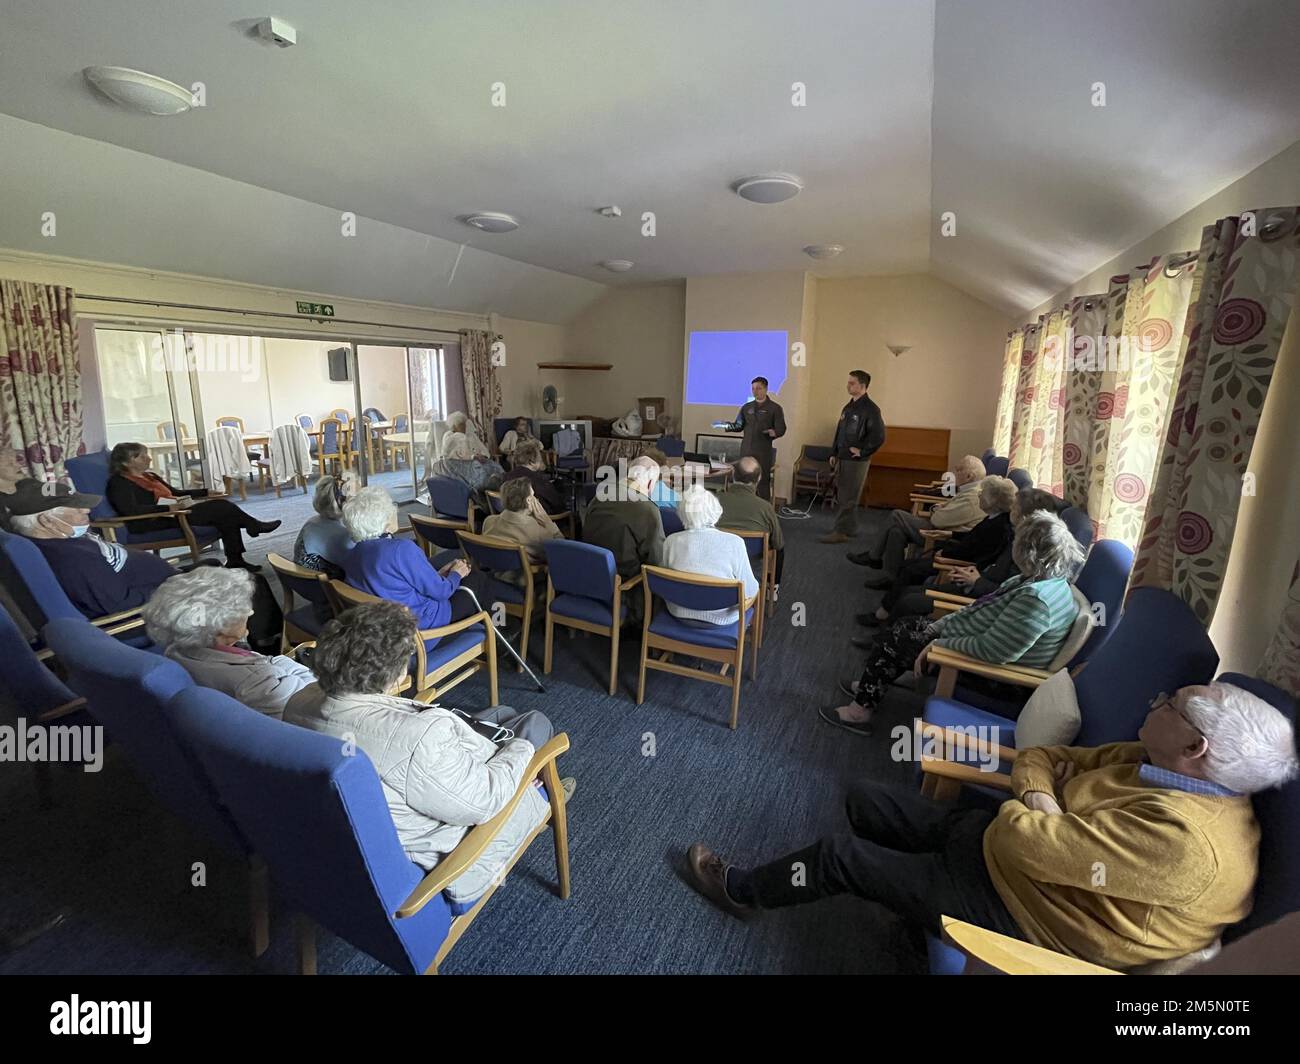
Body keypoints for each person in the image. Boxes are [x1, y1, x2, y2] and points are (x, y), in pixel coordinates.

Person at [683, 682, 1297, 973]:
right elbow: (1044, 761)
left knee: (839, 856)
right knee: (867, 798)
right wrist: (1038, 800)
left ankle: (741, 890)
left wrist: (1036, 814)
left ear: (1196, 744)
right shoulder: (1152, 761)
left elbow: (1022, 837)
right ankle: (912, 915)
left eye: (1171, 703)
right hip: (1012, 857)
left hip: (1030, 918)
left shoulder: (1191, 848)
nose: (1154, 700)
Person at [284, 601, 575, 899]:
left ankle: (535, 781)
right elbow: (484, 800)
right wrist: (523, 752)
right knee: (536, 726)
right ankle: (543, 796)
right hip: (451, 837)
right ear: (393, 674)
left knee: (503, 713)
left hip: (416, 780)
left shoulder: (299, 702)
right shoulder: (419, 739)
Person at [823, 510, 1084, 735]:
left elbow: (994, 652)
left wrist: (940, 645)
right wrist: (939, 627)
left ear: (1027, 550)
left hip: (992, 677)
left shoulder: (1038, 600)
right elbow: (978, 609)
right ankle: (873, 683)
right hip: (970, 648)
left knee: (899, 638)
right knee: (908, 624)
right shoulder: (1036, 580)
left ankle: (860, 712)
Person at [141, 566, 314, 718]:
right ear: (222, 626)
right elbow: (317, 697)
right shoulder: (258, 681)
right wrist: (282, 661)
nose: (251, 612)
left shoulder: (174, 650)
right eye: (243, 608)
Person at [860, 475, 1016, 632]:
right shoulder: (994, 518)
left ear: (993, 500)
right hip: (958, 554)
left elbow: (972, 550)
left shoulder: (998, 527)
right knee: (901, 546)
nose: (979, 495)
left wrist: (944, 552)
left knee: (910, 571)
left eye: (983, 493)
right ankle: (888, 607)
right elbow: (971, 537)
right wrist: (949, 535)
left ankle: (883, 614)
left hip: (958, 563)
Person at [2, 479, 176, 619]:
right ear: (47, 521)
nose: (86, 509)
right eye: (76, 508)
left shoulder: (59, 539)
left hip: (162, 585)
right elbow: (122, 605)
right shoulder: (73, 559)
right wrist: (178, 585)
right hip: (163, 606)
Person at [105, 442, 280, 571]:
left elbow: (176, 492)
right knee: (222, 508)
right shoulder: (120, 483)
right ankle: (252, 529)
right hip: (154, 521)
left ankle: (236, 558)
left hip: (175, 512)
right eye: (141, 456)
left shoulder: (150, 476)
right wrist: (167, 509)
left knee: (225, 513)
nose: (148, 458)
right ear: (126, 463)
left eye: (146, 454)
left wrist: (206, 492)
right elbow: (130, 510)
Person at [341, 486, 474, 647]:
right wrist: (456, 574)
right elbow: (441, 592)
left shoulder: (352, 555)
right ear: (384, 521)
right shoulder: (401, 549)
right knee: (478, 581)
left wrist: (440, 574)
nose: (395, 510)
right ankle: (496, 632)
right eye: (391, 507)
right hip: (422, 633)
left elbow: (394, 583)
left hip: (386, 634)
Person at [855, 454, 988, 586]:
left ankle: (873, 556)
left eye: (959, 470)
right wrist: (938, 508)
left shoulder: (972, 498)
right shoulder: (968, 490)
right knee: (896, 531)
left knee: (896, 515)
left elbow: (937, 520)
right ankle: (892, 578)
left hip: (941, 537)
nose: (954, 473)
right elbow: (942, 509)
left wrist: (937, 510)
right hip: (941, 529)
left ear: (969, 476)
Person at [661, 485, 759, 625]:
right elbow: (749, 591)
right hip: (722, 617)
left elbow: (665, 581)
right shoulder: (735, 543)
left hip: (678, 611)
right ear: (716, 511)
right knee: (756, 587)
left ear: (681, 512)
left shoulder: (671, 541)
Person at [820, 370, 886, 544]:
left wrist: (863, 451)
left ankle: (841, 532)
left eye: (852, 383)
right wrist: (834, 453)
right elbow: (839, 432)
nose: (848, 385)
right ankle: (850, 527)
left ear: (862, 386)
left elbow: (879, 436)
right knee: (843, 494)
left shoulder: (871, 409)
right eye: (848, 382)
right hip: (843, 457)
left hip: (856, 461)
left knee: (848, 496)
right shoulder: (849, 407)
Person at [582, 455, 665, 580]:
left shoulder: (599, 496)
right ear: (650, 483)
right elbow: (656, 561)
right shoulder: (648, 509)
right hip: (626, 586)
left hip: (590, 576)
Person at [715, 456, 785, 593]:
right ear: (758, 479)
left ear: (732, 476)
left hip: (717, 557)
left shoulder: (714, 500)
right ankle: (773, 587)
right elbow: (778, 543)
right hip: (752, 561)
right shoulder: (766, 507)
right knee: (780, 548)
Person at [480, 477, 563, 584]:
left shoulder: (488, 522)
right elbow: (561, 553)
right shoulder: (536, 530)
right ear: (529, 500)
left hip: (495, 577)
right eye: (533, 495)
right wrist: (548, 523)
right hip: (525, 584)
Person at [717, 376, 786, 501]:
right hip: (746, 451)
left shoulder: (775, 408)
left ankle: (763, 511)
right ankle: (744, 508)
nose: (755, 391)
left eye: (758, 388)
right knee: (743, 481)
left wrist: (774, 432)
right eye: (753, 388)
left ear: (765, 389)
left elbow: (782, 428)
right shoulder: (746, 407)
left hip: (762, 452)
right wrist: (726, 425)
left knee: (762, 483)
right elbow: (738, 426)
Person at [293, 471, 360, 579]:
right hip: (323, 587)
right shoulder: (342, 535)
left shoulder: (311, 522)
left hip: (301, 579)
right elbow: (357, 562)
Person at [500, 439, 566, 513]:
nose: (541, 460)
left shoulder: (506, 477)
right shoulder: (538, 480)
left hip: (512, 520)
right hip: (540, 521)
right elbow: (558, 504)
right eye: (540, 457)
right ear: (532, 461)